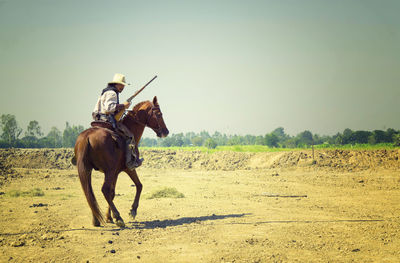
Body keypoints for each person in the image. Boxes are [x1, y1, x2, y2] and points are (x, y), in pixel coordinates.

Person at [92, 73, 142, 169]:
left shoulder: (106, 92)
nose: (123, 87)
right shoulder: (112, 93)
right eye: (122, 85)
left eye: (123, 85)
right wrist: (124, 105)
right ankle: (130, 163)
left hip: (97, 118)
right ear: (116, 84)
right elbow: (109, 108)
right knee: (130, 136)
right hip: (106, 119)